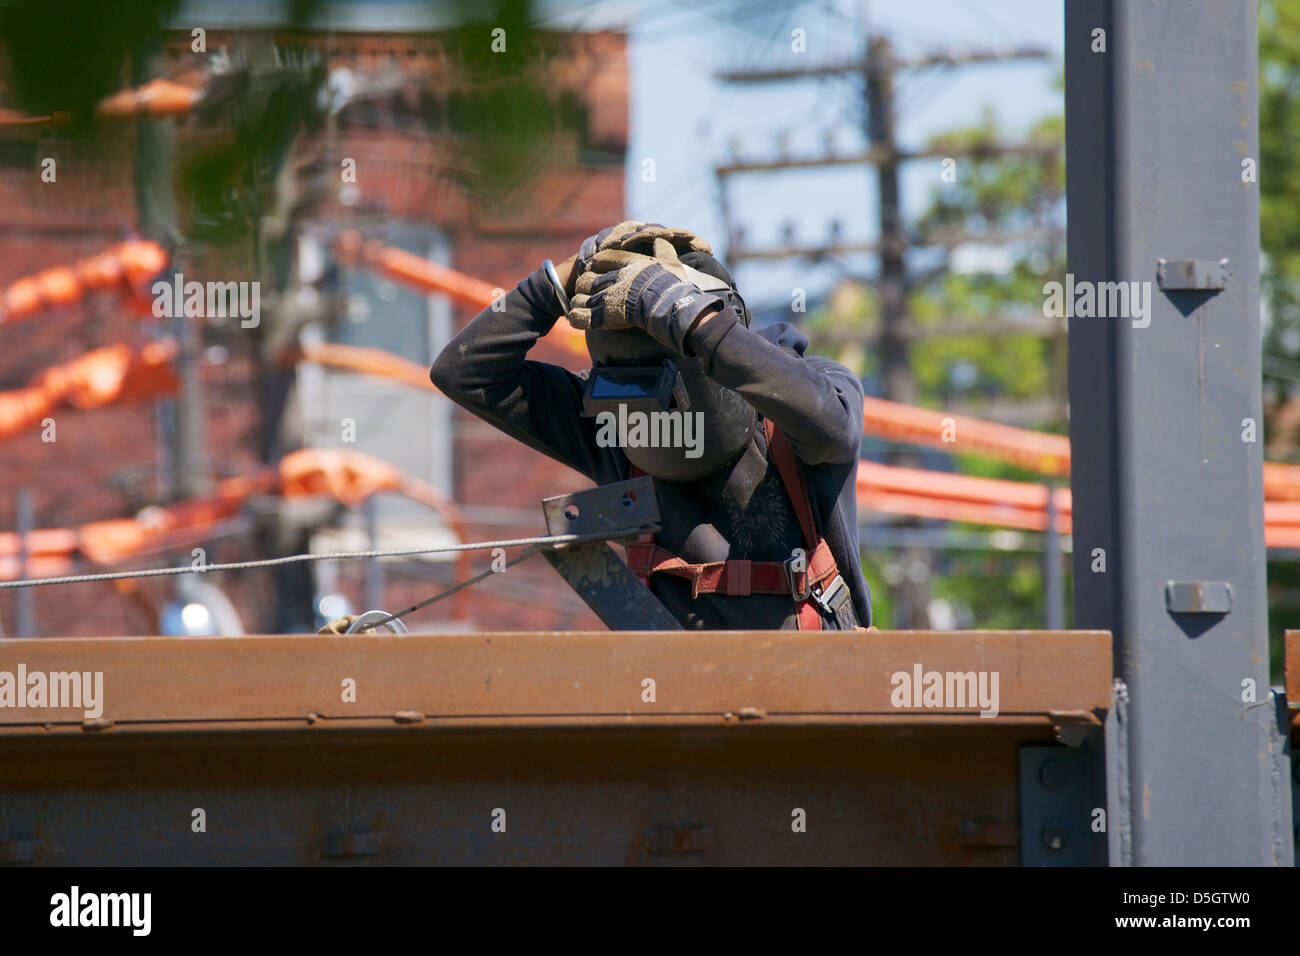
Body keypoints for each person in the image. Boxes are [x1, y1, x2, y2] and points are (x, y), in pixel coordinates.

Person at [430, 221, 870, 630]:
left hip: (815, 689)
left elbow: (830, 425)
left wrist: (690, 318)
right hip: (681, 699)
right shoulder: (616, 425)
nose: (655, 411)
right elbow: (463, 372)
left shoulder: (810, 397)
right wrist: (558, 283)